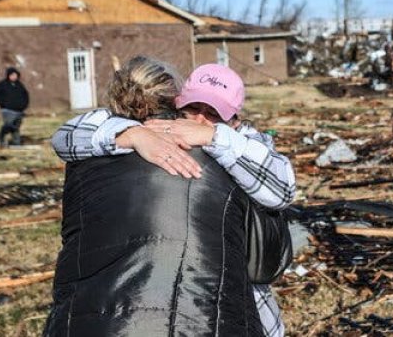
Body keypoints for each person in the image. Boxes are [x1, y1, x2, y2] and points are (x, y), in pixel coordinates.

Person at [51, 62, 295, 337]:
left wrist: (213, 138)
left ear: (234, 119)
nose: (201, 119)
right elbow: (64, 137)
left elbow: (283, 189)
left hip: (238, 298)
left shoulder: (244, 143)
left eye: (214, 114)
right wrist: (132, 135)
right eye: (193, 109)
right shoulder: (151, 130)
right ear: (177, 103)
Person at [0, 67, 29, 146]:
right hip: (7, 110)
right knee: (8, 126)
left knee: (16, 128)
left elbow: (26, 96)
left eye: (15, 75)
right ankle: (0, 137)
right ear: (8, 75)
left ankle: (16, 143)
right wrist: (4, 104)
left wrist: (24, 105)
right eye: (12, 75)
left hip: (19, 111)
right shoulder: (2, 84)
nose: (14, 77)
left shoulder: (20, 85)